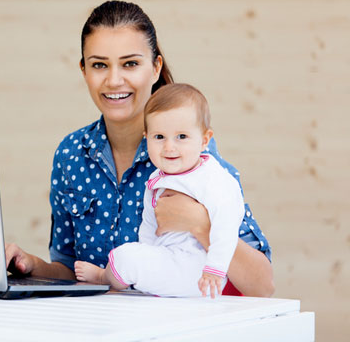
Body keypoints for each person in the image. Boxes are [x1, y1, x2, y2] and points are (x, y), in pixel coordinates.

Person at [5, 0, 274, 297]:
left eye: (130, 63)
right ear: (84, 71)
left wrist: (200, 225)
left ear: (156, 67)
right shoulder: (71, 154)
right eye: (99, 65)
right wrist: (31, 266)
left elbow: (262, 286)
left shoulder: (188, 156)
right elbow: (71, 270)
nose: (114, 80)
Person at [74, 83, 244, 298]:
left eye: (181, 137)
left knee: (124, 257)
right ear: (147, 138)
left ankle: (103, 278)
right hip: (168, 259)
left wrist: (215, 269)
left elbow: (226, 225)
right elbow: (149, 226)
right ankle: (127, 280)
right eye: (159, 137)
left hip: (199, 270)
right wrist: (146, 253)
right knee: (128, 255)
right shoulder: (156, 179)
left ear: (204, 140)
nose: (169, 147)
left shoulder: (213, 177)